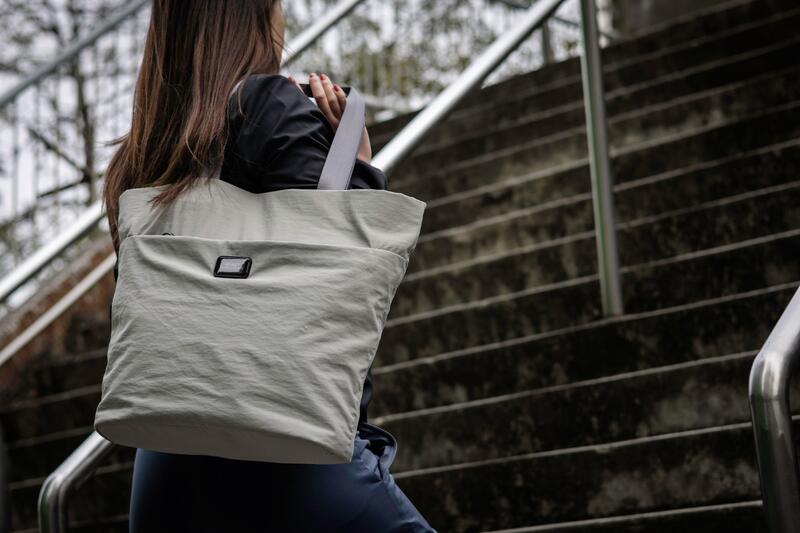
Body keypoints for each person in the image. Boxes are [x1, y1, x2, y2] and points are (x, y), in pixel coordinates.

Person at [101, 1, 435, 531]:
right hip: (290, 448)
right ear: (251, 17)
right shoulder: (270, 103)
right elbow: (339, 268)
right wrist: (359, 167)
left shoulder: (142, 150)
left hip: (164, 463)